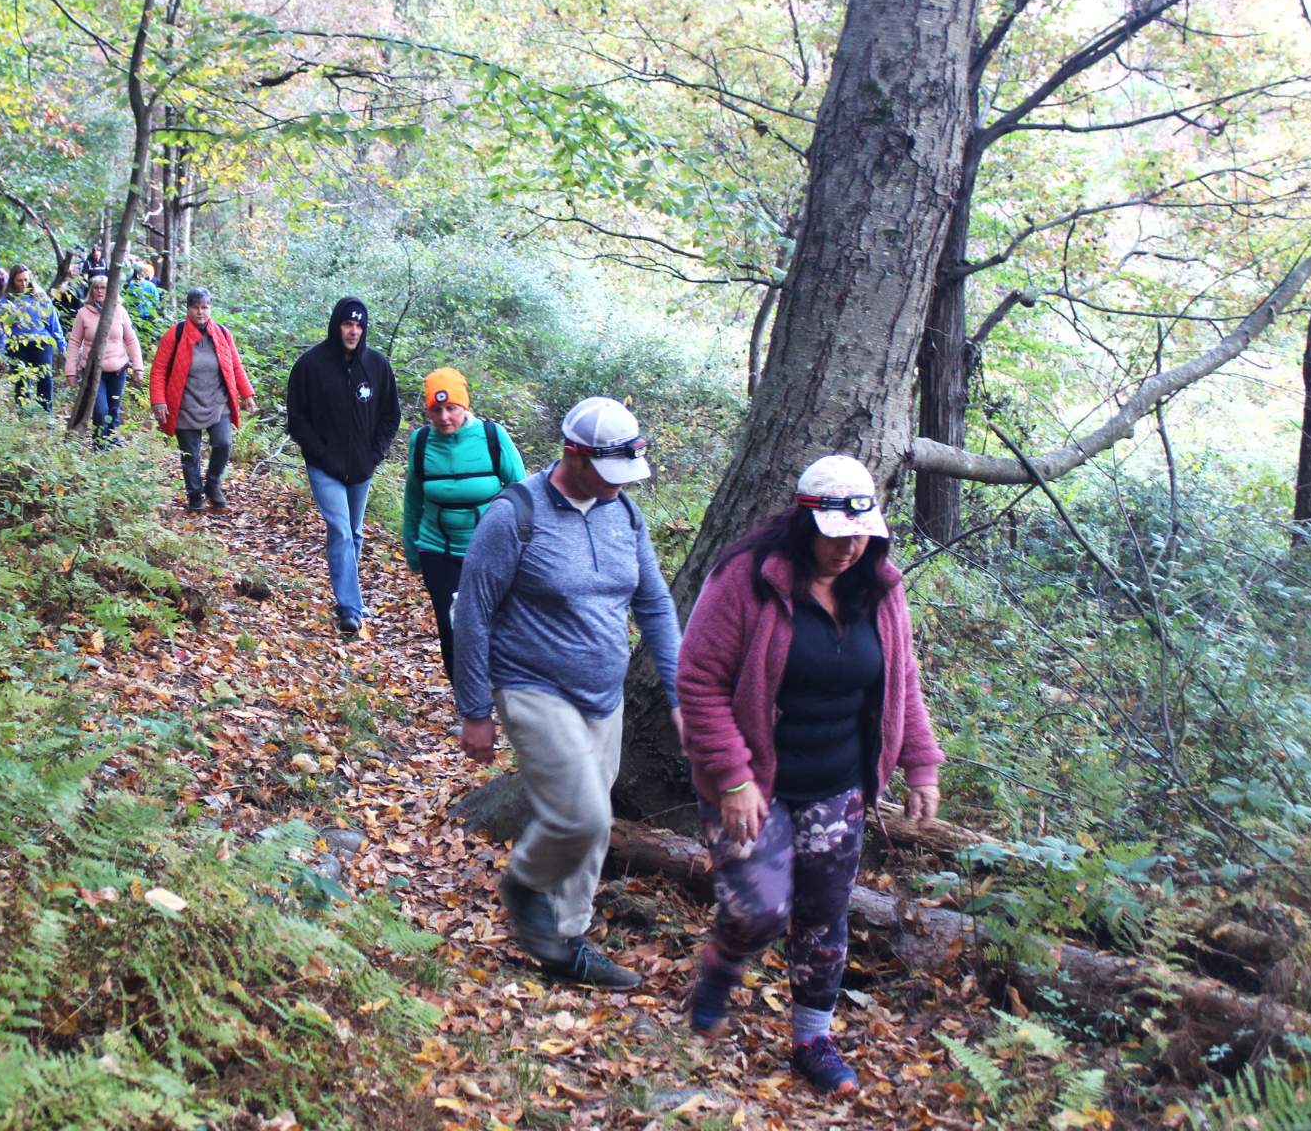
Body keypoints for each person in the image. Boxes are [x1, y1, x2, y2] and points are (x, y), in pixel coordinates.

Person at [678, 454, 945, 1097]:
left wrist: (920, 760)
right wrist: (733, 777)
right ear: (803, 525)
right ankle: (722, 962)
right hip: (753, 784)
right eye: (835, 536)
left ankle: (812, 1040)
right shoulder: (746, 579)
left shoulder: (881, 587)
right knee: (761, 911)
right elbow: (699, 681)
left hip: (840, 782)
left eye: (862, 535)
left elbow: (900, 681)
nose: (850, 549)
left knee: (824, 913)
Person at [451, 396, 681, 990]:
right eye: (611, 474)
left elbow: (654, 604)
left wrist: (681, 696)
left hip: (604, 695)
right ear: (574, 456)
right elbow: (473, 613)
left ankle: (564, 942)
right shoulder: (515, 515)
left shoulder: (624, 515)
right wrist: (474, 709)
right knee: (582, 813)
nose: (620, 486)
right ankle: (524, 883)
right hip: (532, 685)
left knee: (595, 823)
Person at [285, 296, 400, 634]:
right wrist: (319, 451)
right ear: (337, 325)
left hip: (361, 467)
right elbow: (297, 418)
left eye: (358, 325)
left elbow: (390, 415)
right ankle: (349, 608)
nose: (353, 331)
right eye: (348, 324)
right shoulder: (310, 365)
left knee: (354, 533)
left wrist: (374, 453)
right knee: (340, 529)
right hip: (324, 466)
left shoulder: (377, 366)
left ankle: (351, 598)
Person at [401, 368, 525, 679]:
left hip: (488, 548)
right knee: (452, 626)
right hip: (437, 550)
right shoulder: (421, 442)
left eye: (451, 408)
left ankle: (501, 685)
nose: (444, 417)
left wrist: (523, 546)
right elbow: (413, 500)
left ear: (464, 406)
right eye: (436, 410)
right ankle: (468, 705)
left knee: (494, 620)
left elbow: (521, 491)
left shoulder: (492, 437)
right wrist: (412, 551)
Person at [149, 287, 255, 511]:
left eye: (205, 307)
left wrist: (247, 395)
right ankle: (195, 496)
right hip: (185, 404)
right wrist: (159, 401)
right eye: (196, 307)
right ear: (188, 309)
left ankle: (213, 483)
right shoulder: (175, 334)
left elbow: (235, 365)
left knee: (224, 443)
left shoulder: (223, 334)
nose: (200, 312)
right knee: (190, 455)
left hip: (218, 402)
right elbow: (158, 369)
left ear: (210, 308)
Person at [64, 272, 145, 443]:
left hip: (118, 370)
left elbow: (131, 340)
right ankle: (99, 445)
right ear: (91, 291)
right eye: (96, 288)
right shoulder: (83, 313)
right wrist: (70, 371)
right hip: (94, 371)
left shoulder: (120, 311)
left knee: (113, 412)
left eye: (104, 288)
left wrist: (138, 367)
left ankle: (109, 445)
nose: (100, 291)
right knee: (100, 411)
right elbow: (74, 343)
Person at [0, 264, 65, 411]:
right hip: (17, 344)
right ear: (13, 281)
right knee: (22, 380)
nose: (23, 284)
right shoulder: (7, 301)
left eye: (26, 280)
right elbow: (0, 328)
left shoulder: (40, 296)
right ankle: (24, 414)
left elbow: (53, 321)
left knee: (45, 378)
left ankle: (46, 413)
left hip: (41, 342)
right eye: (19, 280)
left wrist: (62, 345)